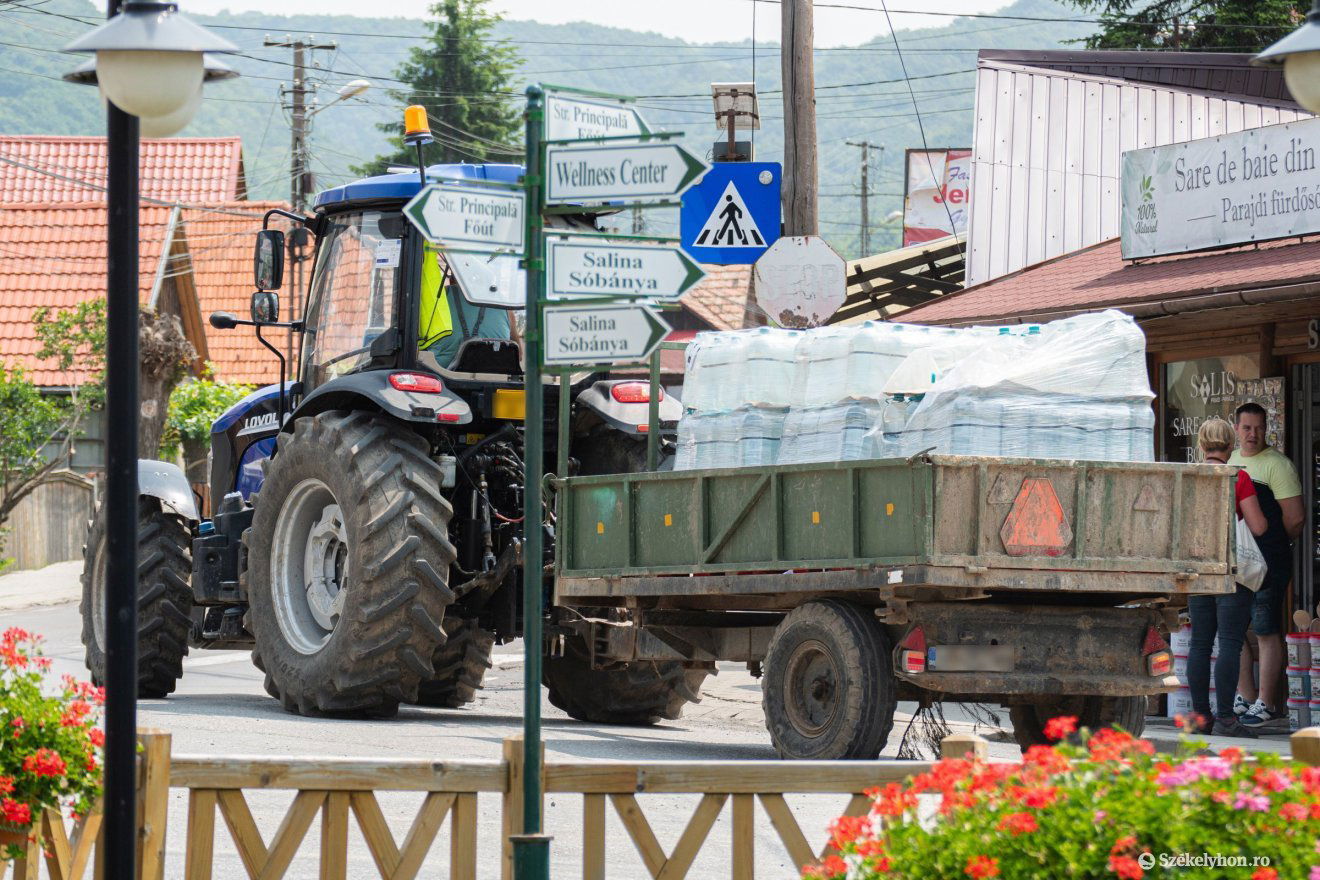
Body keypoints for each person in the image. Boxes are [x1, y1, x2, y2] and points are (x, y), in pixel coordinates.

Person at [1185, 418, 1268, 737]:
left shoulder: (1189, 478)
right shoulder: (1238, 477)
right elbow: (1258, 526)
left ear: (1202, 445)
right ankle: (1226, 719)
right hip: (1231, 571)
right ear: (1231, 445)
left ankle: (1200, 717)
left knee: (1199, 644)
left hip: (1196, 570)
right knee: (1230, 644)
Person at [1229, 402, 1303, 731]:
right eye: (1246, 428)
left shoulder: (1278, 465)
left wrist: (1271, 543)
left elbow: (1296, 519)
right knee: (1234, 629)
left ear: (1266, 428)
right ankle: (1244, 696)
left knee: (1266, 629)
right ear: (1236, 429)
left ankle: (1268, 703)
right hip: (1236, 562)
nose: (1253, 434)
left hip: (1270, 562)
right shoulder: (1230, 460)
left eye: (1259, 428)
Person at [418, 242, 510, 368]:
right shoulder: (501, 302)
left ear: (452, 277)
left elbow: (416, 345)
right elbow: (518, 354)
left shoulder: (439, 298)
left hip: (442, 374)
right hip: (495, 375)